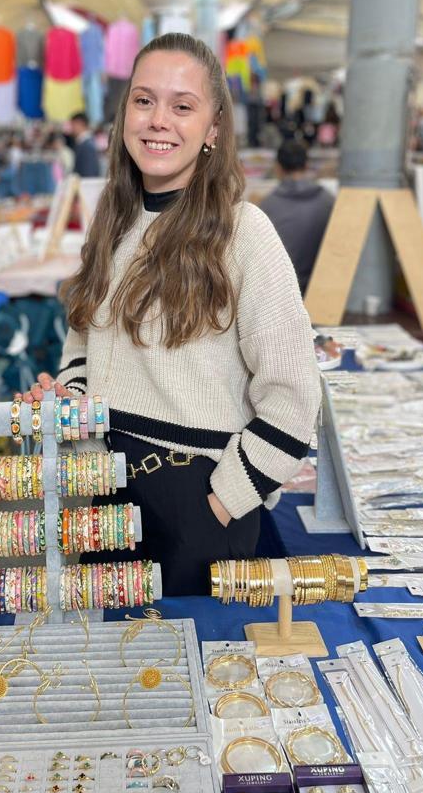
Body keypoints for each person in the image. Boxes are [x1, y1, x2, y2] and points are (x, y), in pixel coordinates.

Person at [21, 33, 321, 595]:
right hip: (105, 491)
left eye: (182, 106)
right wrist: (73, 405)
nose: (159, 120)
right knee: (113, 663)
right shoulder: (113, 219)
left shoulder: (244, 232)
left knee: (197, 672)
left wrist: (223, 501)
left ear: (212, 129)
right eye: (143, 100)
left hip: (199, 502)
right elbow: (81, 344)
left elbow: (294, 398)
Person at [260, 139, 334, 293]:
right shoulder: (328, 200)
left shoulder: (267, 207)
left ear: (278, 167)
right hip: (323, 291)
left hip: (281, 294)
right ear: (307, 165)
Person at [70, 112, 101, 177]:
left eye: (73, 124)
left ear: (80, 123)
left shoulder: (87, 146)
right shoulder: (85, 144)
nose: (71, 128)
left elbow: (89, 174)